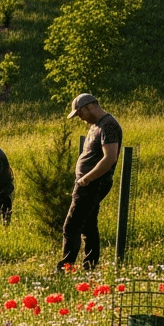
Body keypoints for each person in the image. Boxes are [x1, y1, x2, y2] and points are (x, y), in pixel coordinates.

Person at [59, 93, 122, 271]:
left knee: (71, 226)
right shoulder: (97, 125)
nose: (80, 118)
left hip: (93, 184)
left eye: (80, 113)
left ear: (90, 107)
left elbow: (110, 157)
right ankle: (90, 266)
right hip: (88, 183)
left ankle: (65, 268)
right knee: (88, 225)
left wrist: (87, 178)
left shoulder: (108, 125)